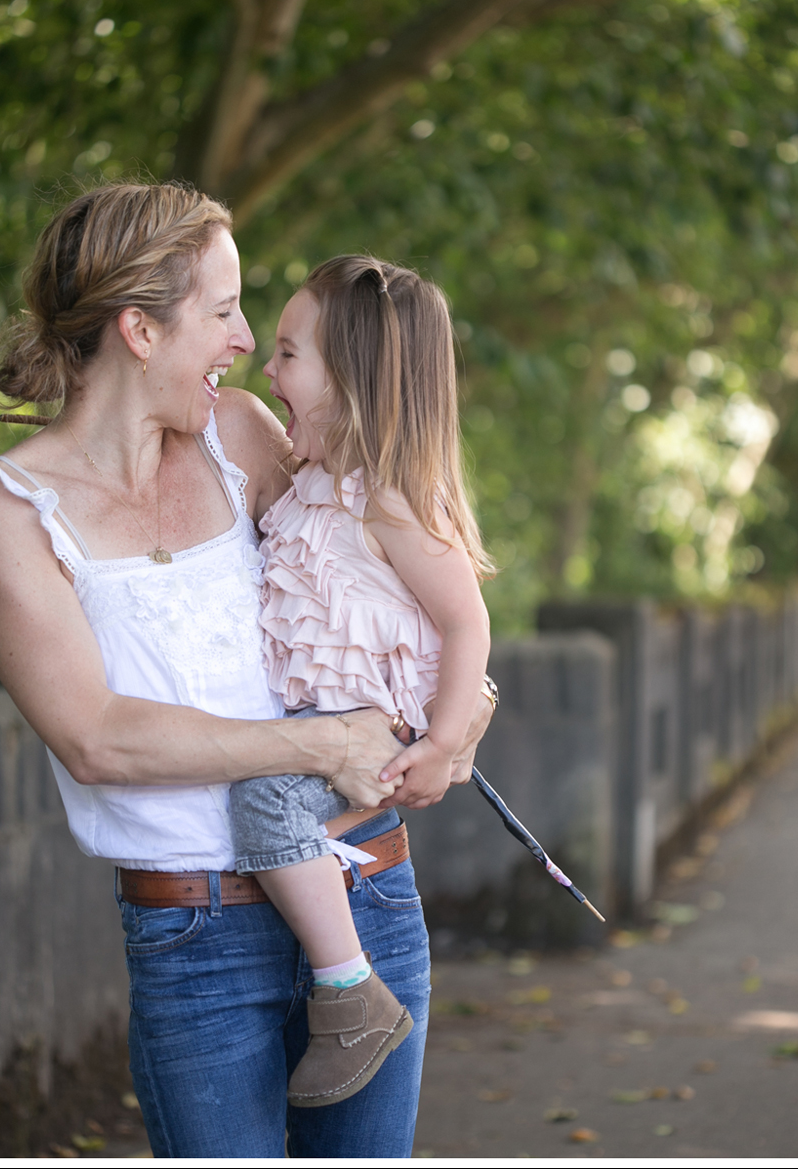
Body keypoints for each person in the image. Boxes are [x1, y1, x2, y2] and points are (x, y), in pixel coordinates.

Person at [0, 182, 493, 1159]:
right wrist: (316, 743)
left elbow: (384, 577)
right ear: (139, 329)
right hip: (196, 943)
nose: (245, 338)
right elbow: (94, 736)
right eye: (222, 310)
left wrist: (454, 709)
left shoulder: (245, 436)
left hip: (365, 891)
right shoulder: (7, 514)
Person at [230, 256, 493, 1108]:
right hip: (333, 726)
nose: (265, 371)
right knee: (268, 808)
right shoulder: (311, 485)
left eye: (288, 355)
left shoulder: (390, 499)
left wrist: (446, 740)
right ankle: (337, 965)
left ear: (354, 381)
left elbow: (465, 621)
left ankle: (349, 994)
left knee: (263, 805)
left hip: (379, 726)